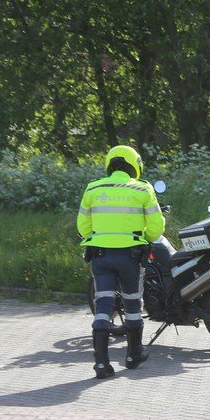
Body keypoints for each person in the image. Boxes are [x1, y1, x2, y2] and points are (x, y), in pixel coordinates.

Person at [77, 145, 165, 378]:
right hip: (130, 257)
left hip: (101, 257)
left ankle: (101, 364)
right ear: (134, 164)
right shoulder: (143, 189)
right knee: (133, 304)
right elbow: (157, 229)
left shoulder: (92, 189)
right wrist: (142, 237)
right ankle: (133, 354)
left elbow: (82, 227)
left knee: (104, 304)